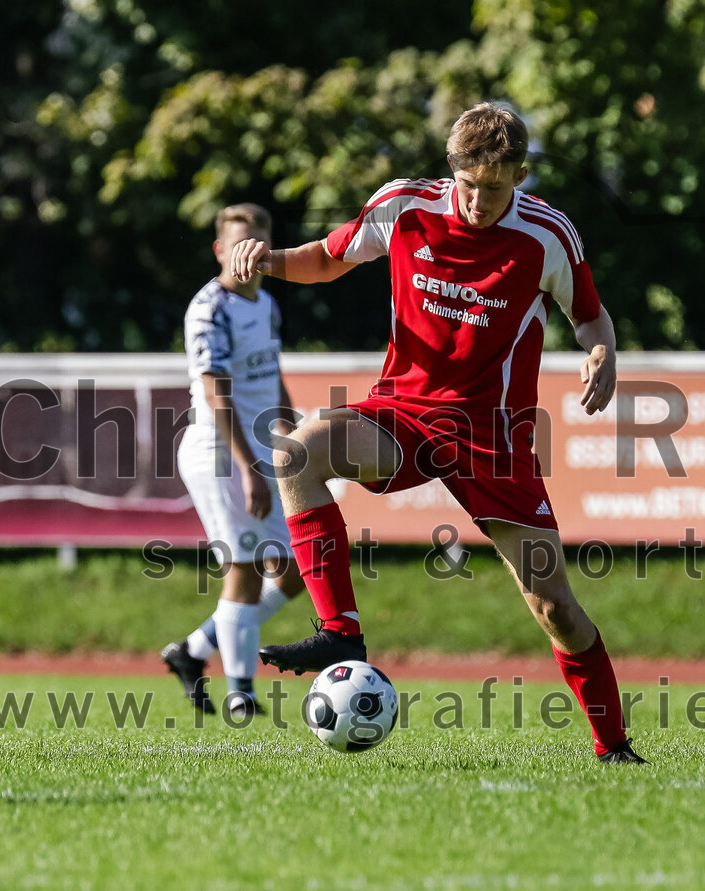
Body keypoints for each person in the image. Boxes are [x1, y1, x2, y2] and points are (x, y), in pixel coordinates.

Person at [231, 103, 646, 763]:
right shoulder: (405, 206)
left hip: (494, 440)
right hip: (403, 415)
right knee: (299, 451)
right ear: (451, 168)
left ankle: (614, 746)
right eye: (470, 183)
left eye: (497, 186)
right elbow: (329, 259)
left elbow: (590, 318)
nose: (480, 200)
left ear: (520, 175)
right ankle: (340, 631)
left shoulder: (547, 236)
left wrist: (603, 354)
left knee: (556, 609)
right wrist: (267, 261)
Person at [161, 203, 305, 719]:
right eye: (239, 244)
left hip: (261, 450)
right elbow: (217, 396)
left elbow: (272, 371)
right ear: (221, 250)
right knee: (243, 570)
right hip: (220, 453)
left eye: (258, 245)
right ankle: (241, 695)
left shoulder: (265, 302)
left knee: (293, 574)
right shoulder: (210, 309)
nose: (250, 254)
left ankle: (195, 650)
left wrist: (287, 425)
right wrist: (248, 467)